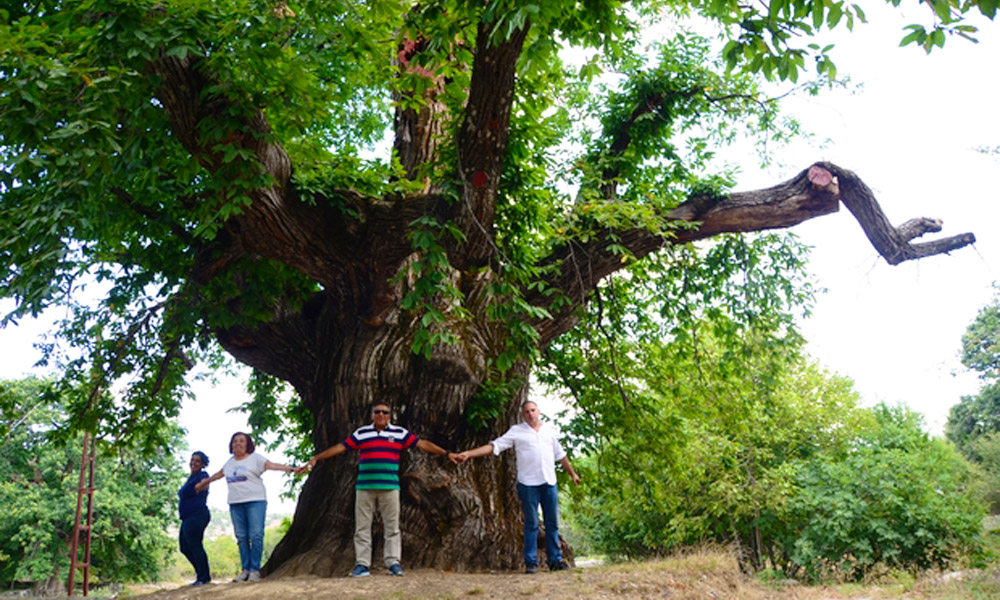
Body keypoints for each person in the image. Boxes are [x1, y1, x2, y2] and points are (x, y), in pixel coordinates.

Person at [297, 403, 457, 577]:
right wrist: (316, 458)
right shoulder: (362, 433)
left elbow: (422, 444)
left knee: (392, 527)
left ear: (390, 416)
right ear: (372, 415)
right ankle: (362, 564)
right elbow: (341, 447)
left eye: (385, 412)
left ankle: (393, 563)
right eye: (377, 412)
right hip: (364, 487)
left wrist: (447, 454)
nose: (381, 414)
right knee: (362, 527)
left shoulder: (399, 433)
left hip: (390, 487)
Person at [455, 400, 581, 574]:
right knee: (531, 523)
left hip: (549, 482)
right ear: (523, 415)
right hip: (529, 484)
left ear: (539, 411)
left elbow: (561, 456)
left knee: (552, 523)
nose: (530, 414)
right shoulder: (517, 432)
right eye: (527, 412)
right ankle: (530, 562)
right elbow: (494, 446)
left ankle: (555, 560)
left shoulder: (548, 432)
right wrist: (469, 453)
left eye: (533, 410)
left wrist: (572, 474)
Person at [196, 432, 296, 582]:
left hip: (255, 500)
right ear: (231, 445)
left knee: (256, 535)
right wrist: (205, 482)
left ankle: (255, 570)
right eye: (235, 441)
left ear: (247, 444)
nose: (238, 443)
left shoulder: (255, 458)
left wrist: (293, 469)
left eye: (242, 441)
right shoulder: (229, 462)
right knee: (241, 537)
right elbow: (219, 474)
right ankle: (245, 569)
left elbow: (272, 465)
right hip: (235, 503)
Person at [178, 451, 212, 586]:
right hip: (187, 517)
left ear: (203, 464)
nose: (194, 463)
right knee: (184, 547)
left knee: (195, 545)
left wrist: (202, 485)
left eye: (197, 461)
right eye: (192, 460)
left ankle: (203, 577)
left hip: (197, 515)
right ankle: (202, 574)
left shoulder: (202, 475)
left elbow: (205, 483)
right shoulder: (190, 478)